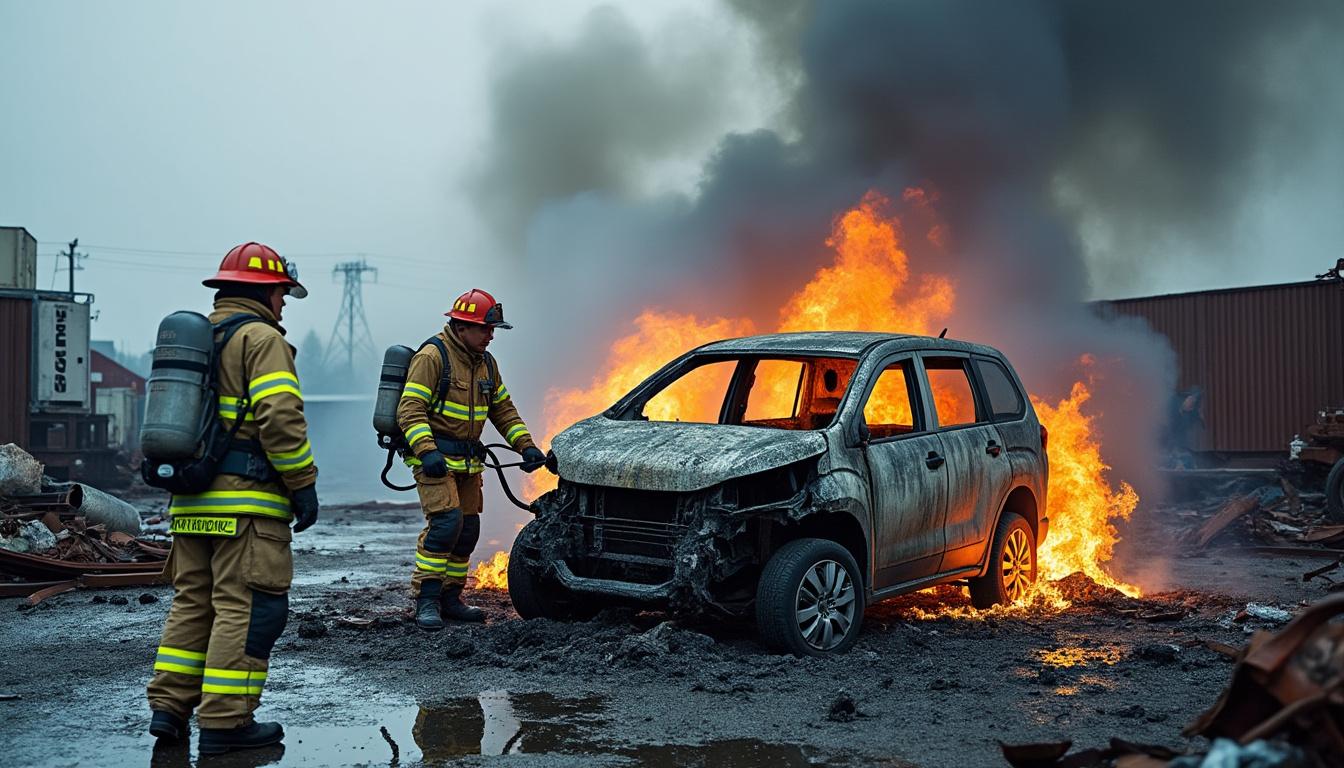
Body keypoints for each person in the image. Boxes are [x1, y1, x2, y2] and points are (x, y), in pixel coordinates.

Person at [145, 242, 320, 755]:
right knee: (246, 608)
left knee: (193, 603)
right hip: (247, 507)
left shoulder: (203, 340)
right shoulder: (261, 339)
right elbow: (280, 418)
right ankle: (226, 722)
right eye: (283, 296)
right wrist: (303, 483)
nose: (284, 306)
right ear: (264, 292)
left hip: (191, 503)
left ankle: (169, 709)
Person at [396, 288, 545, 631]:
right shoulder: (434, 356)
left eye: (493, 330)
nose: (491, 336)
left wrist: (526, 446)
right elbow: (410, 409)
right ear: (461, 326)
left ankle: (451, 598)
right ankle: (427, 600)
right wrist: (427, 451)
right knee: (445, 526)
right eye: (485, 329)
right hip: (433, 462)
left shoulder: (486, 364)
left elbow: (503, 410)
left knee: (468, 531)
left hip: (467, 464)